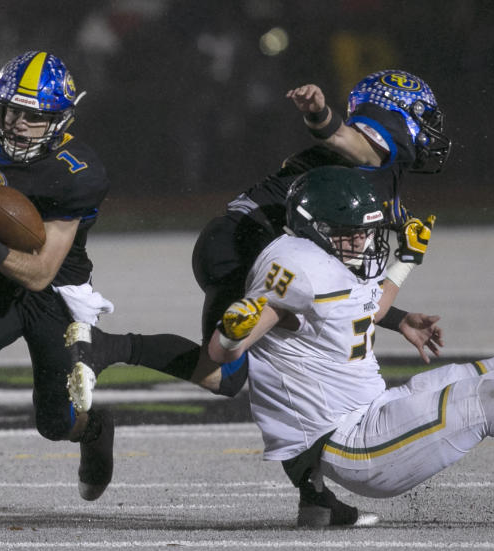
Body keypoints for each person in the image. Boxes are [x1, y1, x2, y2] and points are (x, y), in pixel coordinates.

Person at [65, 69, 450, 411]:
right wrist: (318, 113)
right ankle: (105, 347)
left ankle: (311, 488)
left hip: (258, 245)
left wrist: (398, 318)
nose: (433, 131)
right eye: (424, 119)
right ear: (393, 116)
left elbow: (350, 297)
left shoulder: (383, 180)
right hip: (244, 244)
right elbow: (339, 136)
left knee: (296, 358)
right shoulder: (368, 153)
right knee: (222, 373)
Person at [207, 165, 494, 527]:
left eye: (367, 232)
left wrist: (406, 261)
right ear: (314, 229)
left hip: (375, 408)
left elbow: (366, 306)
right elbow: (221, 353)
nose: (363, 243)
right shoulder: (298, 270)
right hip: (351, 441)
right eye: (351, 234)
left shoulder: (332, 259)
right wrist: (231, 333)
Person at [0, 51, 113, 522]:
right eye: (9, 108)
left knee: (55, 423)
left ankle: (95, 430)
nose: (15, 122)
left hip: (54, 289)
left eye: (32, 115)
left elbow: (41, 272)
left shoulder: (78, 172)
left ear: (59, 120)